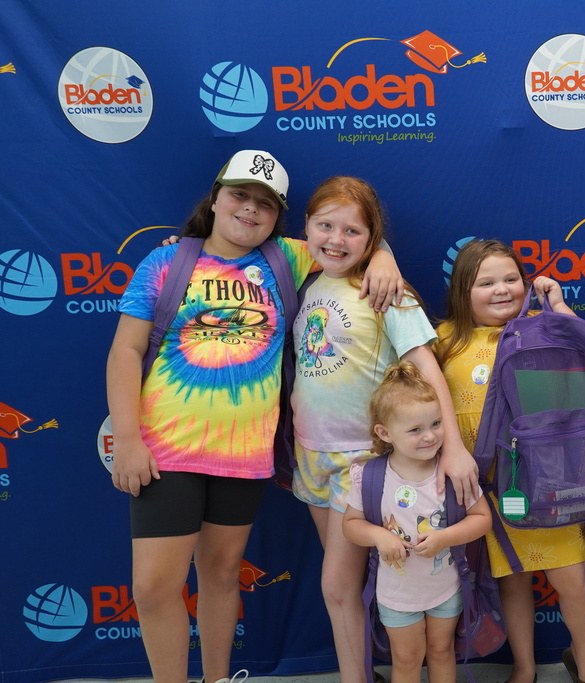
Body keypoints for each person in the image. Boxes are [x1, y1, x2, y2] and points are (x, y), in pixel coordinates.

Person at [107, 150, 401, 683]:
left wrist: (383, 257)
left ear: (278, 217)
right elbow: (125, 351)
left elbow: (348, 238)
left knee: (221, 575)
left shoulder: (286, 258)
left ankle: (217, 678)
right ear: (216, 197)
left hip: (243, 455)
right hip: (165, 451)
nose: (249, 209)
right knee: (153, 588)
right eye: (240, 194)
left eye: (265, 203)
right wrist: (126, 437)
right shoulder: (166, 263)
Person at [288, 176, 478, 683]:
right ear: (305, 227)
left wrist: (454, 448)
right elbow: (239, 240)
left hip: (361, 462)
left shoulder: (386, 291)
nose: (335, 239)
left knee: (337, 586)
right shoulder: (306, 275)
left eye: (353, 232)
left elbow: (427, 367)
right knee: (351, 586)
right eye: (325, 226)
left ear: (371, 241)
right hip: (312, 455)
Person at [433, 239, 585, 683]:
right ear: (461, 290)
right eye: (485, 282)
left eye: (511, 279)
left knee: (574, 578)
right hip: (490, 490)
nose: (502, 289)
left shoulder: (542, 326)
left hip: (555, 481)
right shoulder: (443, 340)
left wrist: (559, 305)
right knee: (511, 579)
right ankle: (524, 669)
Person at [343, 361, 492, 683]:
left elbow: (482, 519)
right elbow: (351, 525)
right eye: (415, 430)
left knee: (441, 652)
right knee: (407, 660)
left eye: (437, 424)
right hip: (396, 593)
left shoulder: (454, 474)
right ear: (385, 433)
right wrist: (378, 536)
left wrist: (445, 537)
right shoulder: (368, 476)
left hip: (447, 587)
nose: (430, 436)